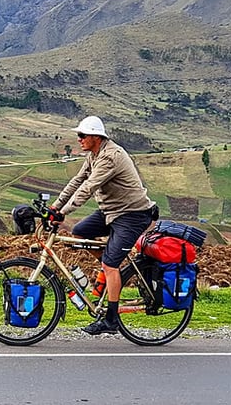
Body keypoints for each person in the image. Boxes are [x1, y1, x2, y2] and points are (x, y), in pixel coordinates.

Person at [46, 116, 157, 335]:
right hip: (110, 212)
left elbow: (88, 187)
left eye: (82, 135)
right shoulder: (94, 155)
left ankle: (111, 319)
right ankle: (112, 270)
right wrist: (55, 207)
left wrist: (63, 212)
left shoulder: (110, 157)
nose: (79, 139)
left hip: (132, 215)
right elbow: (77, 181)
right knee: (79, 233)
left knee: (109, 264)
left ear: (96, 137)